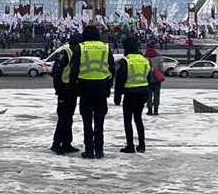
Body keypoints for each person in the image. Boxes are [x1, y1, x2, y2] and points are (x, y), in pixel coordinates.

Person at [69, 25, 114, 159]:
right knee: (100, 121)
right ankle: (99, 150)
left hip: (85, 88)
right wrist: (107, 88)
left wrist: (75, 89)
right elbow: (111, 70)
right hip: (101, 88)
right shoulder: (106, 48)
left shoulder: (80, 48)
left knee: (87, 122)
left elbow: (74, 71)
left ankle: (89, 150)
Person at [114, 36, 151, 154]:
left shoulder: (126, 61)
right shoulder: (144, 60)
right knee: (138, 119)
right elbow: (148, 78)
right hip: (143, 93)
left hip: (130, 94)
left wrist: (117, 97)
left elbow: (120, 80)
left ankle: (130, 145)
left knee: (128, 120)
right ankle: (142, 145)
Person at [50, 36, 81, 155]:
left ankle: (67, 143)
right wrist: (60, 89)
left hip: (72, 91)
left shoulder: (75, 53)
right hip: (65, 91)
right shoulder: (65, 53)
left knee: (69, 118)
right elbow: (56, 72)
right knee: (63, 118)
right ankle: (56, 144)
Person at [143, 41, 164, 116]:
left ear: (148, 47)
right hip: (157, 78)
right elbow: (161, 68)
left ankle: (150, 110)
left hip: (148, 78)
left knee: (149, 95)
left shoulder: (145, 56)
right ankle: (156, 110)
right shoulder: (158, 56)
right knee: (156, 95)